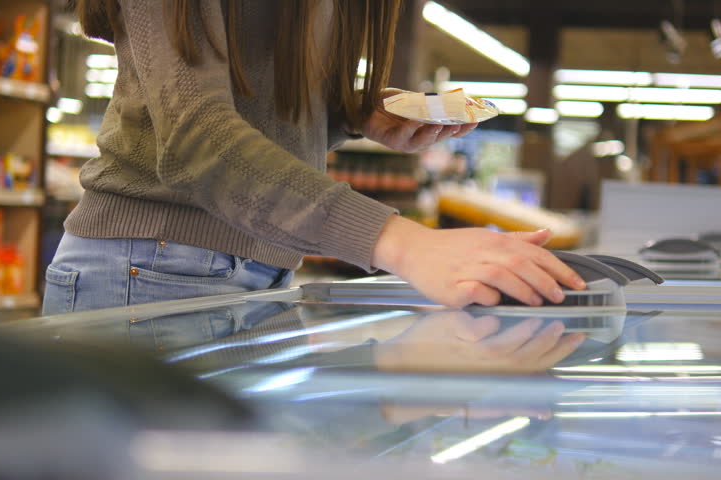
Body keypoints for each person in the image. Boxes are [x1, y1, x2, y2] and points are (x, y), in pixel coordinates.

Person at [43, 0, 585, 316]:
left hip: (263, 267)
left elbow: (252, 101)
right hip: (150, 268)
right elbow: (195, 140)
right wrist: (406, 244)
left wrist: (354, 114)